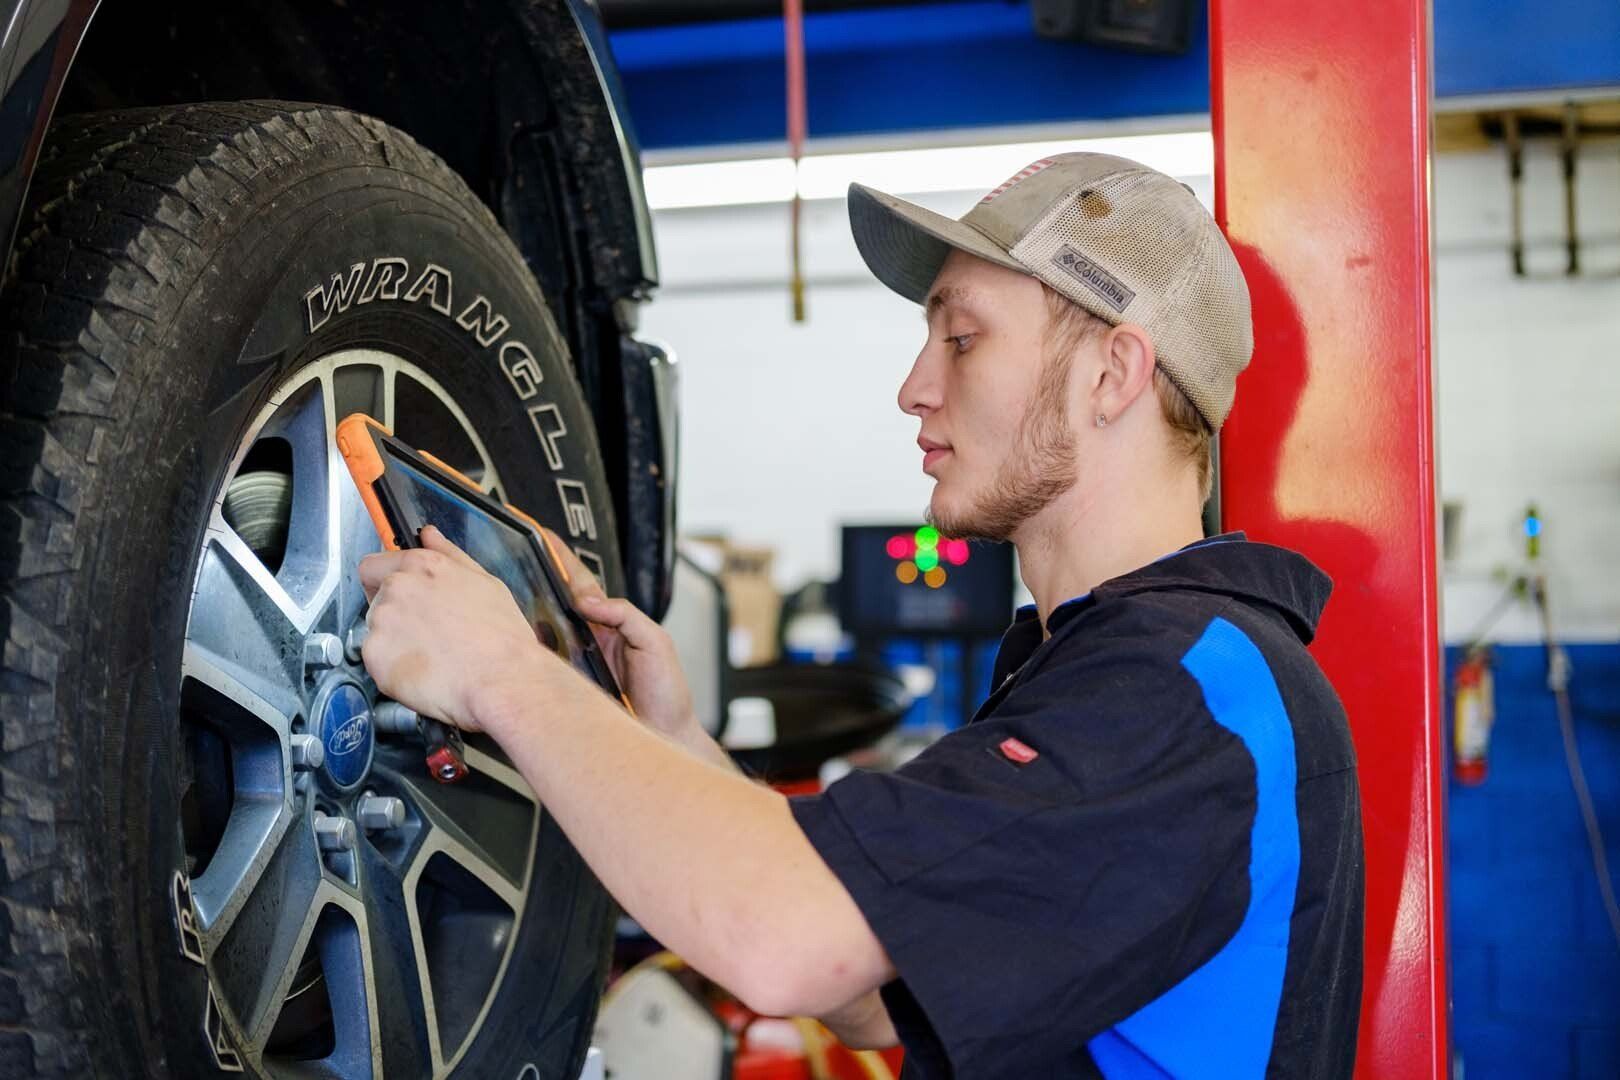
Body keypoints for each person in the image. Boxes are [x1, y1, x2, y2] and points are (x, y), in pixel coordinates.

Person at [358, 153, 1365, 1078]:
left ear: (1115, 374)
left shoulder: (1180, 696)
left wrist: (503, 670)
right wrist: (674, 746)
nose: (914, 389)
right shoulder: (1122, 673)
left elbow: (791, 946)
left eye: (962, 338)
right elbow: (880, 994)